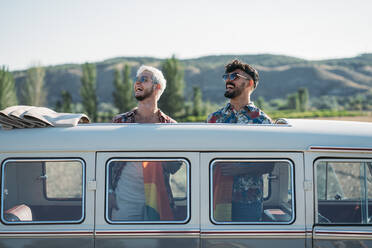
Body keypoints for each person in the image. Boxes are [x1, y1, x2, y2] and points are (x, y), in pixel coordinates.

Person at [110, 65, 179, 221]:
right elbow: (106, 162)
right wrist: (108, 192)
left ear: (157, 87)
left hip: (157, 195)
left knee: (154, 242)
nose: (137, 83)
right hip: (124, 197)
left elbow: (175, 166)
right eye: (137, 79)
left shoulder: (171, 126)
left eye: (144, 79)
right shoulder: (120, 121)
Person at [207, 59, 273, 222]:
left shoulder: (262, 121)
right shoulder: (214, 118)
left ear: (249, 83)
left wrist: (240, 168)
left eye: (235, 76)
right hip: (215, 195)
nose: (229, 80)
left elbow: (270, 163)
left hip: (248, 201)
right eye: (227, 76)